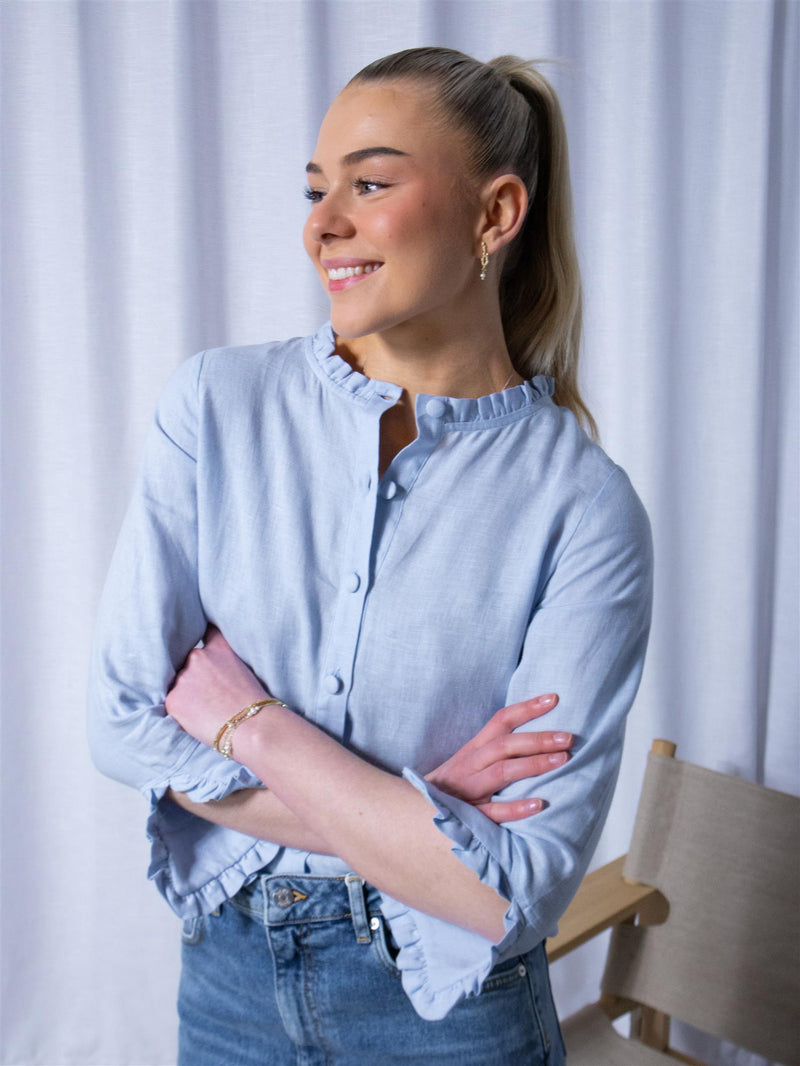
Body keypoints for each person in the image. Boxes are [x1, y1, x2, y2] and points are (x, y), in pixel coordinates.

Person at [88, 46, 652, 1065]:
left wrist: (251, 726)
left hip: (454, 1016)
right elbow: (124, 728)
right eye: (316, 190)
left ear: (494, 214)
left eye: (371, 184)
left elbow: (512, 887)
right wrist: (424, 805)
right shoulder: (215, 408)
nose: (322, 224)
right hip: (228, 988)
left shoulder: (584, 507)